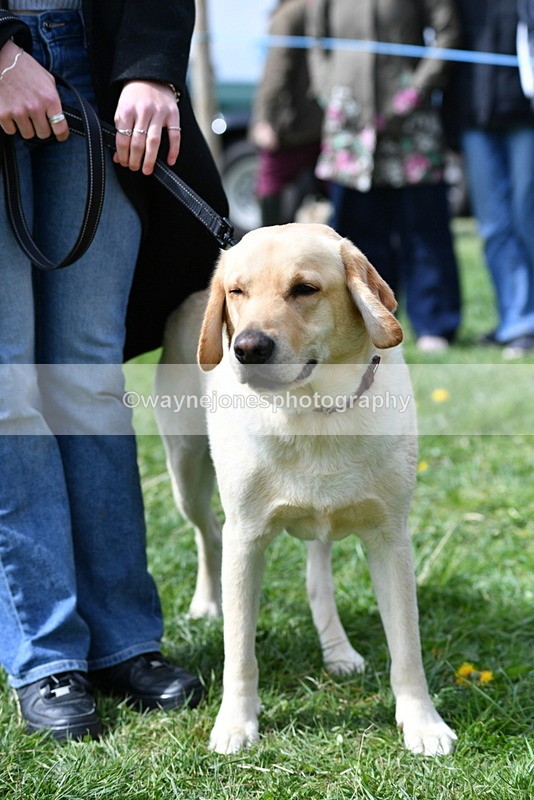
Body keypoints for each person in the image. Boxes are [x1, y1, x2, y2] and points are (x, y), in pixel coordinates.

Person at [0, 0, 228, 740]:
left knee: (87, 376)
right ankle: (46, 653)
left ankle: (123, 640)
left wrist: (153, 69)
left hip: (98, 64)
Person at [306, 0, 462, 352]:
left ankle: (434, 323)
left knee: (424, 227)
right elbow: (315, 39)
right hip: (350, 122)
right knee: (358, 234)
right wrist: (328, 87)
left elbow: (447, 31)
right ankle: (368, 322)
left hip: (410, 119)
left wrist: (415, 89)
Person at [444, 0, 534, 358]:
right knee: (494, 225)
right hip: (475, 118)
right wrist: (451, 125)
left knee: (527, 217)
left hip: (526, 117)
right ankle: (516, 321)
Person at [249, 0, 323, 226]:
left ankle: (268, 245)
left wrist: (264, 120)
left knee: (269, 182)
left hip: (293, 127)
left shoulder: (289, 15)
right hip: (322, 122)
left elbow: (276, 72)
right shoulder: (317, 9)